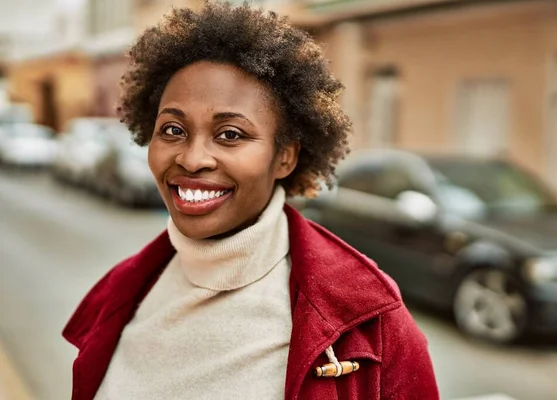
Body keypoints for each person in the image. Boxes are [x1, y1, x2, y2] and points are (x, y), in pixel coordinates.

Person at [63, 2, 439, 399]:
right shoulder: (122, 294)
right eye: (172, 129)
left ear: (285, 156)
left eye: (230, 134)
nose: (192, 159)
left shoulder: (370, 320)